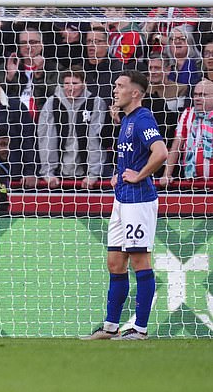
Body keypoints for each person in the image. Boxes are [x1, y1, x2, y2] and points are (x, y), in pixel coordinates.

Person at [83, 70, 168, 341]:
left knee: (139, 261)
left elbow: (161, 152)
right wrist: (122, 172)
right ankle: (110, 327)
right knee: (114, 262)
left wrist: (140, 174)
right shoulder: (127, 120)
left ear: (135, 93)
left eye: (120, 86)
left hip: (139, 200)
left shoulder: (143, 118)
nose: (115, 89)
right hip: (123, 199)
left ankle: (140, 329)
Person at [160, 79, 213, 186]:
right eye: (196, 94)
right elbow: (176, 146)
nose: (197, 98)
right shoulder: (188, 114)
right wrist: (167, 174)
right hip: (192, 185)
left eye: (203, 95)